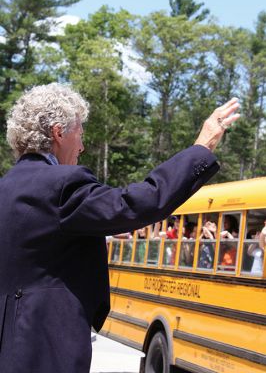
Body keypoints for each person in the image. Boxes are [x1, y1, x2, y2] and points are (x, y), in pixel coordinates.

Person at [0, 83, 240, 373]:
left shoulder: (6, 188)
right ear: (58, 133)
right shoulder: (60, 185)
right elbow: (137, 204)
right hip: (42, 347)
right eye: (81, 134)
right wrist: (202, 148)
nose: (82, 146)